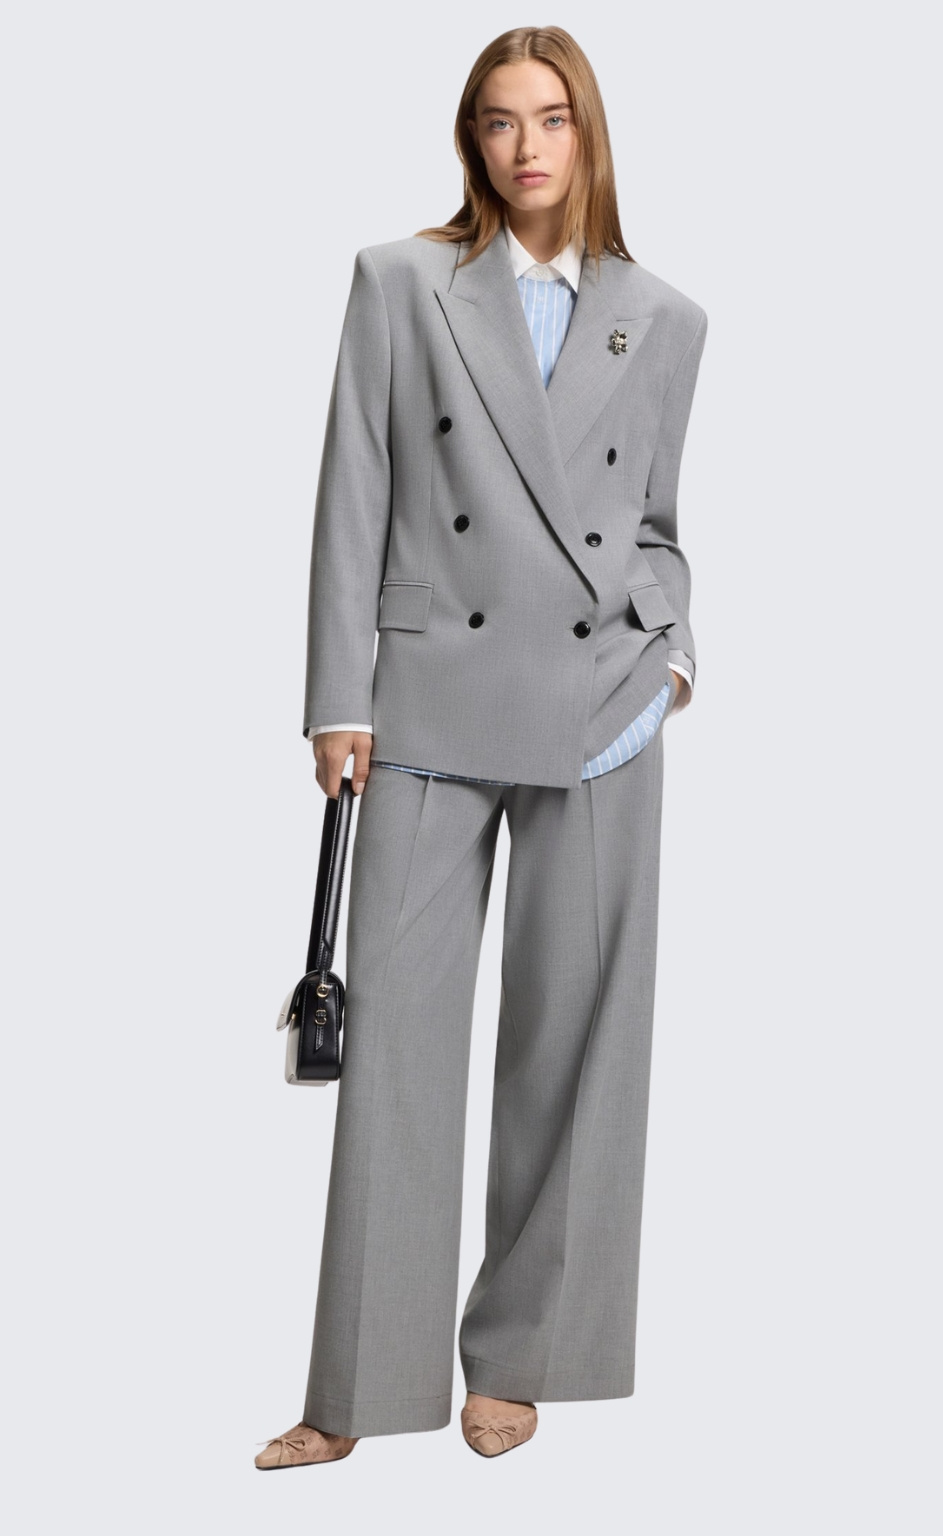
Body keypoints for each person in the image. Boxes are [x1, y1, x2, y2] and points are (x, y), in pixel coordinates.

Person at [256, 23, 708, 1469]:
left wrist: (672, 655)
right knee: (395, 1042)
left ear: (589, 133)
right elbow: (354, 486)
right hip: (428, 702)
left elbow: (655, 525)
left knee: (575, 1041)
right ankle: (359, 1385)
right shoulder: (402, 281)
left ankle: (524, 1357)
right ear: (473, 139)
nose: (527, 146)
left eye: (552, 118)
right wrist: (338, 700)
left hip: (601, 705)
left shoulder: (665, 316)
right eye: (501, 121)